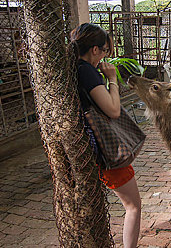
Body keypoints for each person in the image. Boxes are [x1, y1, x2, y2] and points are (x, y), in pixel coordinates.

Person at [70, 23, 141, 248]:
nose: (105, 56)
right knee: (133, 206)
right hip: (105, 150)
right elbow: (113, 110)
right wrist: (111, 78)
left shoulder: (74, 68)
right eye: (105, 51)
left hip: (88, 148)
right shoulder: (87, 71)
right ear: (94, 50)